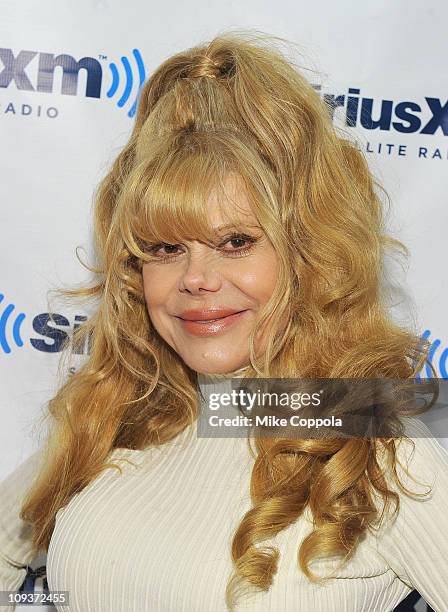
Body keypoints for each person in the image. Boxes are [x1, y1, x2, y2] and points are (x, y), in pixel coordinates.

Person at [1, 30, 448, 612]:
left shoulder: (371, 437)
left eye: (235, 241)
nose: (196, 278)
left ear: (307, 252)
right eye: (164, 248)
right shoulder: (119, 412)